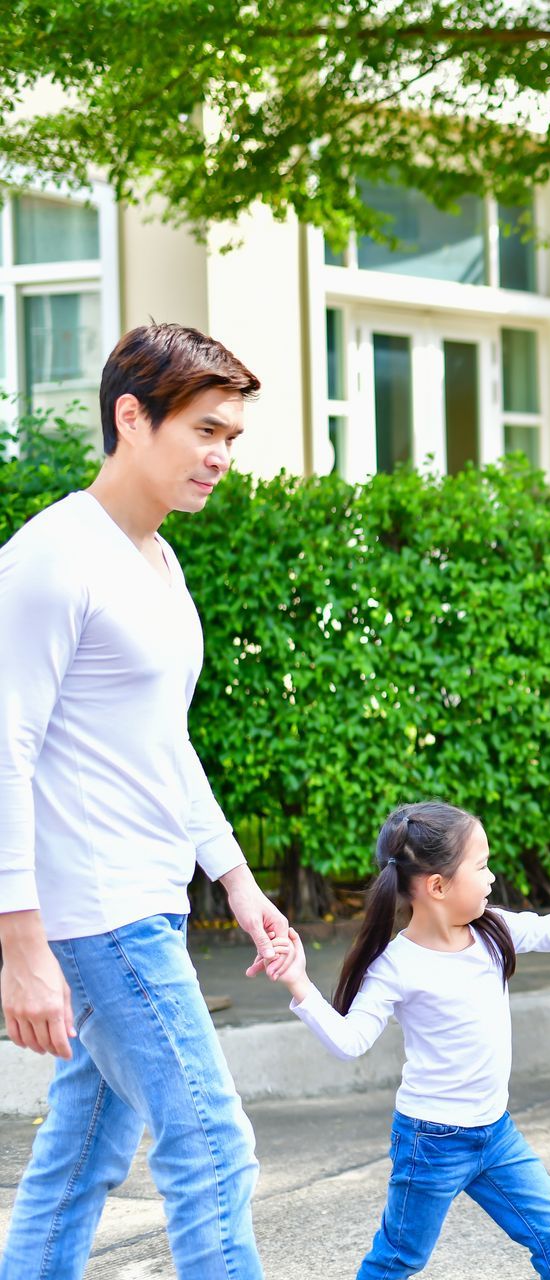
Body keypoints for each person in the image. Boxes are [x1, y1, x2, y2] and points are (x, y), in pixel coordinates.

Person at [1, 323, 287, 1279]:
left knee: (82, 1156)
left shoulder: (159, 564)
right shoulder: (51, 560)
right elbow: (5, 754)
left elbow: (165, 743)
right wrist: (21, 946)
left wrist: (240, 885)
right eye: (206, 431)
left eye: (232, 438)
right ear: (131, 417)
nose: (220, 457)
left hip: (148, 900)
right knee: (212, 1145)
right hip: (101, 914)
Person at [264, 800, 550, 1278]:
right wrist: (299, 984)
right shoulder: (396, 965)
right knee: (398, 1258)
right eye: (481, 865)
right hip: (431, 1142)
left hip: (495, 1134)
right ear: (437, 886)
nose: (492, 877)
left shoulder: (494, 931)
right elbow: (350, 1041)